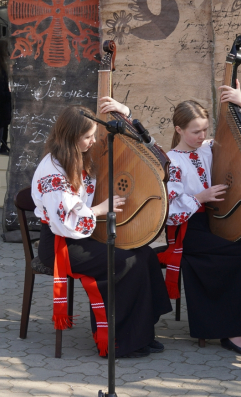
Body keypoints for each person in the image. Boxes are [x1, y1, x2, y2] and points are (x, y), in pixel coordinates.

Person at [32, 105, 172, 358]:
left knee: (145, 254)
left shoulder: (81, 154)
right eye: (88, 137)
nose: (94, 141)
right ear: (70, 136)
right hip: (61, 244)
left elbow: (148, 147)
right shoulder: (52, 170)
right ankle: (117, 341)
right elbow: (63, 222)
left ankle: (141, 332)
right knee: (125, 262)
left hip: (82, 234)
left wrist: (124, 112)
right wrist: (99, 210)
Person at [157, 83, 241, 357]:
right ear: (179, 130)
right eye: (195, 131)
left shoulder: (211, 148)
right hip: (191, 232)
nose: (202, 136)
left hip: (219, 224)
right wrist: (201, 196)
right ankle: (231, 332)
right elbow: (170, 212)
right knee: (238, 257)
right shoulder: (171, 161)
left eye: (205, 130)